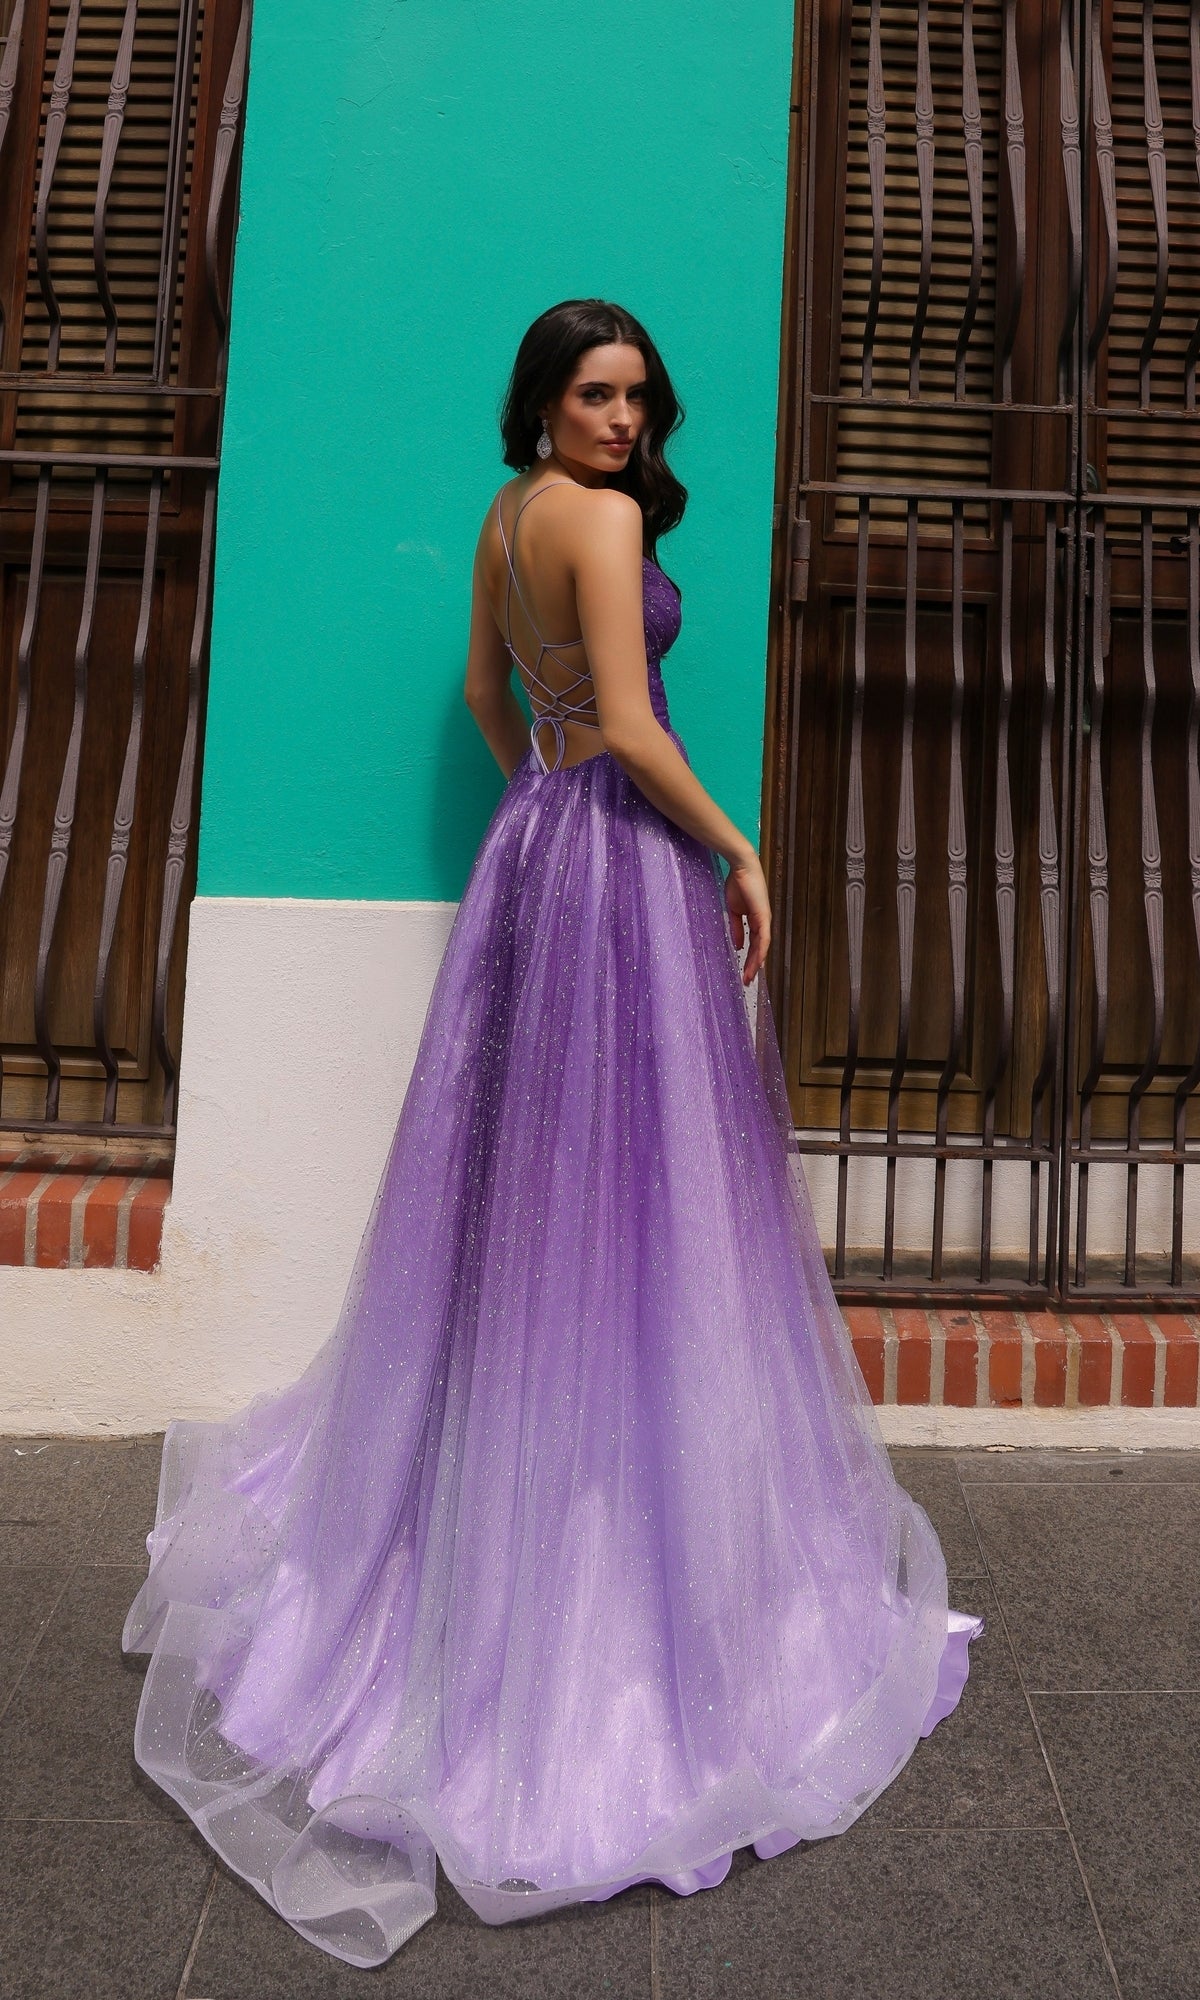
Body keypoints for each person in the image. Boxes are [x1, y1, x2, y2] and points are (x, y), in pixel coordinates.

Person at [123, 298, 982, 1970]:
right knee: (633, 1197)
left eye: (640, 399)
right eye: (596, 394)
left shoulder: (508, 513)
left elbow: (483, 694)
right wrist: (735, 849)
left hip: (543, 854)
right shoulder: (582, 516)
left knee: (525, 1197)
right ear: (545, 399)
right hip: (620, 874)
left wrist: (541, 792)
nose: (623, 424)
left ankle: (528, 1480)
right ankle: (606, 1531)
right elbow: (640, 725)